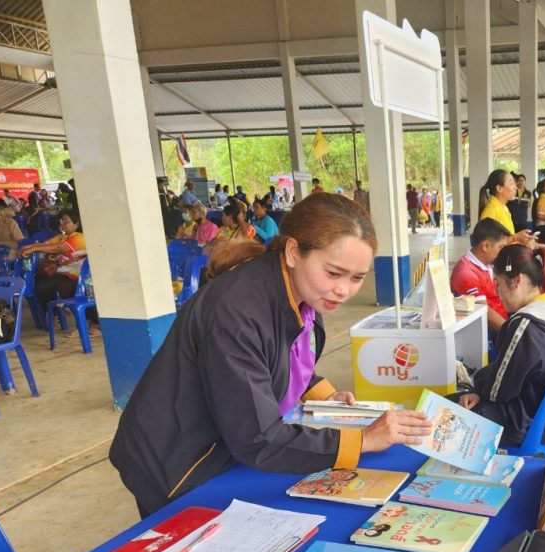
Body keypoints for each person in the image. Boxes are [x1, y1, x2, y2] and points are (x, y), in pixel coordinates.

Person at [109, 193, 434, 517]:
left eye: (357, 278)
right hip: (177, 459)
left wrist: (325, 395)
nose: (344, 290)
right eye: (334, 273)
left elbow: (282, 354)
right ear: (293, 252)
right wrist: (362, 440)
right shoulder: (235, 315)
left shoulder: (302, 291)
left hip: (224, 444)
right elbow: (258, 438)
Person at [458, 244, 545, 446]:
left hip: (522, 424)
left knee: (442, 407)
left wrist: (476, 387)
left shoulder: (525, 326)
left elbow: (497, 393)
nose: (497, 293)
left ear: (517, 280)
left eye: (498, 284)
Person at [18, 209, 96, 333]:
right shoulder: (62, 236)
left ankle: (88, 322)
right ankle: (56, 314)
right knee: (38, 282)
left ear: (76, 224)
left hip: (76, 275)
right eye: (62, 220)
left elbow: (58, 248)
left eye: (66, 221)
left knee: (50, 286)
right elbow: (46, 244)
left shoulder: (79, 237)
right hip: (61, 272)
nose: (63, 223)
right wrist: (25, 248)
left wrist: (32, 249)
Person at [450, 218, 510, 334]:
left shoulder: (487, 263)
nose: (503, 253)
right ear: (486, 246)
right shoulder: (467, 273)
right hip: (489, 332)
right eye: (501, 248)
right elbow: (485, 312)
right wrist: (511, 333)